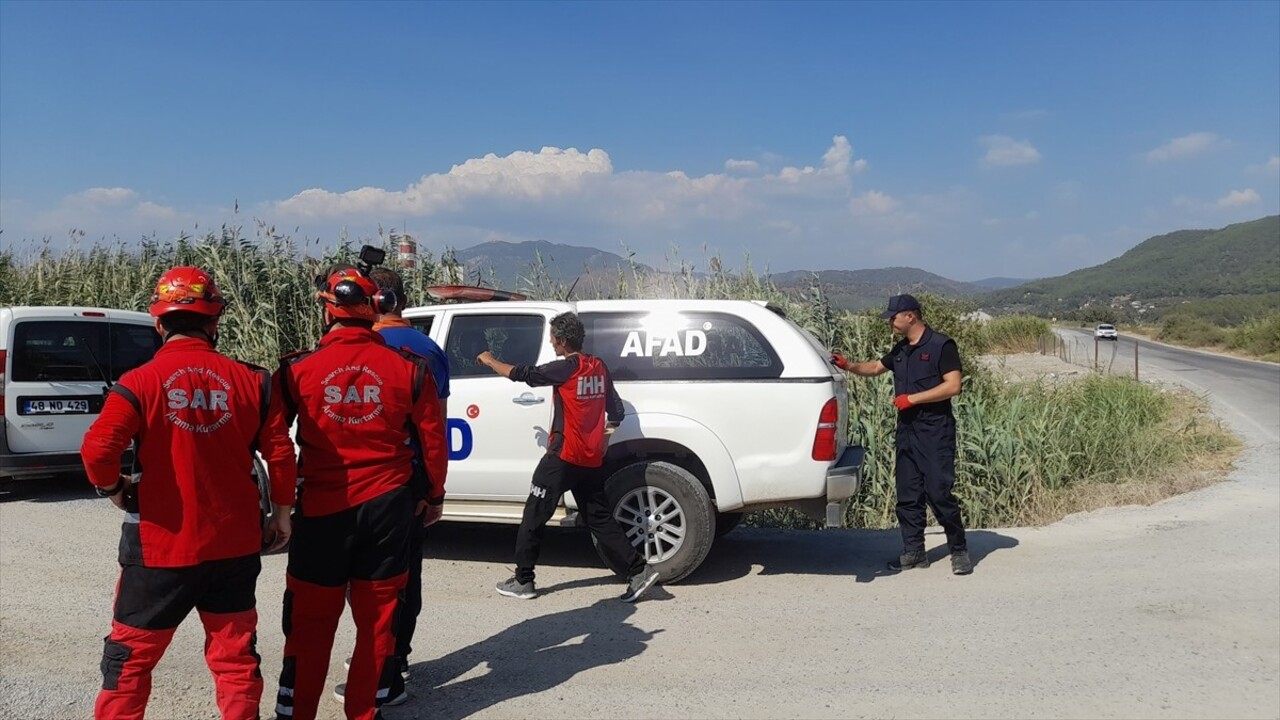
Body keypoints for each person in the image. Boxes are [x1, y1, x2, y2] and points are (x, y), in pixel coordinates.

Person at [80, 266, 297, 720]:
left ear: (159, 324)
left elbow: (99, 449)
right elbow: (279, 454)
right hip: (234, 545)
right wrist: (281, 514)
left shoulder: (138, 382)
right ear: (214, 321)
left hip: (160, 548)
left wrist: (114, 488)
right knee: (235, 658)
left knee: (131, 658)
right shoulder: (254, 382)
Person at [273, 266, 448, 720]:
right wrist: (435, 495)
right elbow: (432, 440)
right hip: (389, 509)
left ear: (327, 313)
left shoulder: (297, 369)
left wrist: (280, 505)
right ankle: (364, 713)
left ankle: (298, 712)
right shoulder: (411, 370)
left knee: (310, 622)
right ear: (375, 312)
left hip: (321, 511)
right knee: (377, 624)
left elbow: (274, 441)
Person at [476, 311, 660, 602]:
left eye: (552, 338)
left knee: (533, 516)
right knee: (599, 519)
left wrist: (489, 360)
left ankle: (524, 580)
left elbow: (522, 374)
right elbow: (617, 412)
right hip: (589, 459)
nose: (550, 343)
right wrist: (601, 440)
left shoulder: (566, 368)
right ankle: (640, 572)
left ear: (562, 341)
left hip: (562, 458)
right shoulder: (599, 367)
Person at [333, 267, 451, 706]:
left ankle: (374, 661)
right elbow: (435, 425)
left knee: (354, 579)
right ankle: (394, 658)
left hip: (347, 480)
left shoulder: (356, 344)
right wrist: (434, 489)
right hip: (408, 482)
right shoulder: (429, 351)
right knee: (403, 575)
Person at [830, 294, 973, 576]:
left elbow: (953, 386)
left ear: (911, 316)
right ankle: (914, 552)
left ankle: (959, 549)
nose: (890, 322)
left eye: (893, 317)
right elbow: (875, 367)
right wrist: (847, 365)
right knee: (908, 495)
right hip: (907, 431)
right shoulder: (901, 350)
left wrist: (914, 399)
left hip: (935, 432)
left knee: (938, 493)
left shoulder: (941, 345)